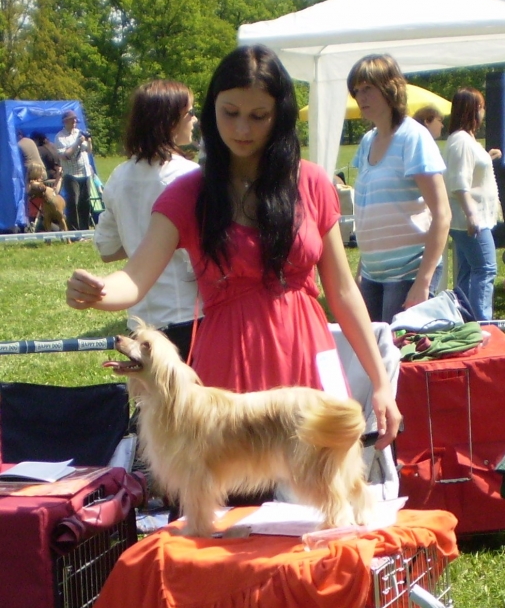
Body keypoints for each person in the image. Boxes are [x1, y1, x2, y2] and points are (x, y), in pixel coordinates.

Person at [67, 45, 401, 449]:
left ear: (279, 116)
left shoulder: (313, 183)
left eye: (258, 116)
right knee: (238, 489)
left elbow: (344, 291)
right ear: (212, 111)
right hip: (231, 371)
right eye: (230, 113)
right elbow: (135, 278)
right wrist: (99, 292)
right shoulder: (187, 194)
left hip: (310, 360)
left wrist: (380, 383)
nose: (242, 128)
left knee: (328, 485)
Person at [94, 79, 200, 360]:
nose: (195, 120)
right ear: (170, 120)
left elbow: (106, 248)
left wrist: (139, 241)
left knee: (147, 391)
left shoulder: (118, 176)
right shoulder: (190, 176)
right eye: (190, 113)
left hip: (139, 325)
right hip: (189, 318)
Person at [348, 54, 451, 324]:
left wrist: (423, 281)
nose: (360, 97)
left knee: (396, 349)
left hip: (409, 273)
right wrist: (361, 270)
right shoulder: (367, 141)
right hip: (372, 275)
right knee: (370, 347)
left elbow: (442, 214)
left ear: (390, 88)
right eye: (356, 90)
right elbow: (369, 212)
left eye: (368, 88)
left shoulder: (413, 137)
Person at [444, 87, 500, 321]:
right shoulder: (461, 141)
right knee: (485, 269)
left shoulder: (466, 140)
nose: (483, 112)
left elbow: (470, 168)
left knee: (467, 272)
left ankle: (466, 320)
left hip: (469, 218)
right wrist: (471, 215)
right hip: (470, 219)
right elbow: (459, 182)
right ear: (472, 109)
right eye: (481, 107)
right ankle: (483, 324)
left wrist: (488, 157)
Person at [55, 110, 93, 232]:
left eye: (75, 119)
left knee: (85, 202)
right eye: (72, 119)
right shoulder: (60, 137)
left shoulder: (79, 133)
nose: (75, 121)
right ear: (65, 121)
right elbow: (66, 155)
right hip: (71, 174)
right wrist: (77, 142)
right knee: (73, 203)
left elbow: (89, 151)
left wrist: (89, 141)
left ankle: (85, 230)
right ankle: (74, 231)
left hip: (85, 173)